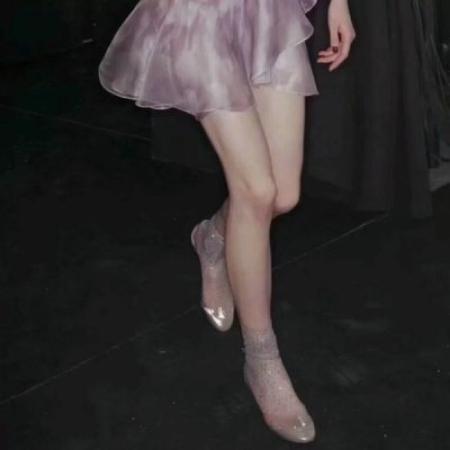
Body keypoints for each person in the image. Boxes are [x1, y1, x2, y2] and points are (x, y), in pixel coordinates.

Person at [98, 0, 355, 443]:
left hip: (269, 11)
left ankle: (213, 237)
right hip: (198, 21)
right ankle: (262, 359)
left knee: (284, 196)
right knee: (256, 192)